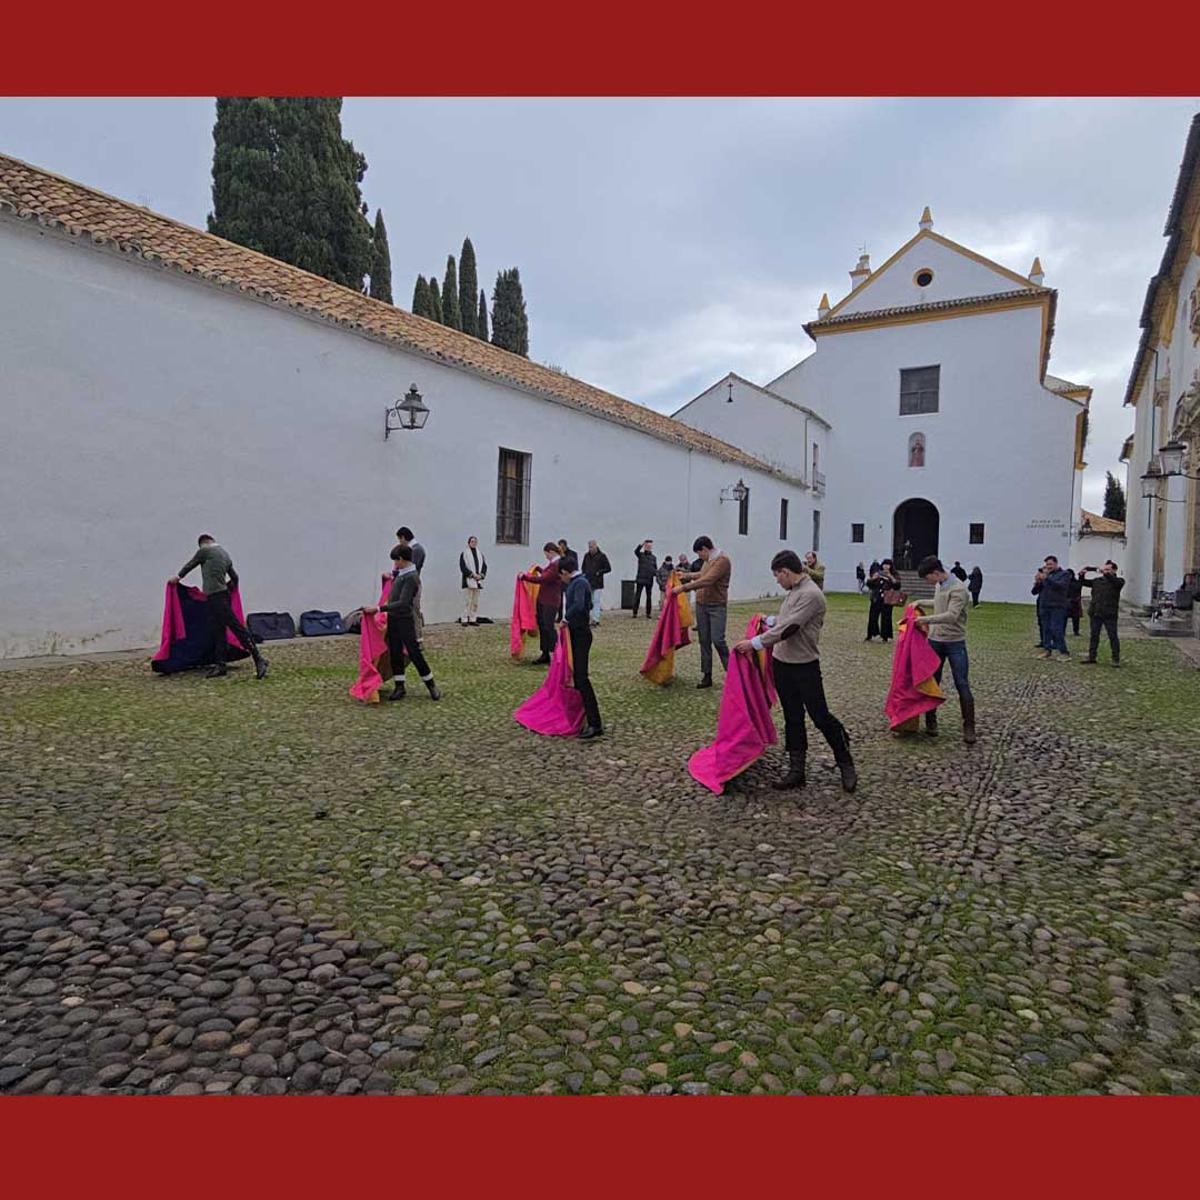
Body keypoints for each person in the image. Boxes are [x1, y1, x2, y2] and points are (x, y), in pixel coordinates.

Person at [732, 550, 856, 793]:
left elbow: (790, 627)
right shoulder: (794, 591)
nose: (777, 581)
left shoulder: (811, 594)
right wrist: (768, 620)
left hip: (805, 665)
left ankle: (845, 762)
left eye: (778, 576)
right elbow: (785, 619)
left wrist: (755, 643)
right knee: (792, 716)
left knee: (820, 716)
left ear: (786, 572)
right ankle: (796, 769)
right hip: (783, 663)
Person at [171, 534, 269, 680]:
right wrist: (228, 588)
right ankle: (220, 665)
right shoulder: (225, 555)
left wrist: (178, 577)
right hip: (222, 596)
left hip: (215, 597)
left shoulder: (205, 550)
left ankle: (258, 658)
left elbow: (190, 564)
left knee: (234, 627)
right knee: (218, 630)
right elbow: (235, 578)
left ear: (203, 543)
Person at [364, 545, 441, 701]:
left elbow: (403, 603)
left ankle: (431, 684)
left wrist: (378, 608)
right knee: (395, 652)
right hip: (393, 618)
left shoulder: (412, 577)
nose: (395, 564)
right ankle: (399, 686)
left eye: (396, 561)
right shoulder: (402, 574)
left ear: (401, 559)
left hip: (405, 619)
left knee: (414, 652)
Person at [913, 556, 976, 744]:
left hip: (955, 642)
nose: (927, 582)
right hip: (935, 641)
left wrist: (924, 620)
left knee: (962, 683)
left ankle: (969, 726)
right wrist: (920, 602)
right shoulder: (940, 585)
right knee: (932, 682)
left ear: (936, 573)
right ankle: (931, 721)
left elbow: (951, 615)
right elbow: (938, 603)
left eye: (927, 578)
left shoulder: (959, 589)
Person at [669, 536, 731, 689]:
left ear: (705, 549)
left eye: (699, 553)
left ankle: (732, 673)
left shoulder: (722, 560)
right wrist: (686, 575)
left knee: (718, 640)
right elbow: (702, 574)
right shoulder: (709, 560)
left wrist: (683, 588)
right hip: (702, 605)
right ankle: (706, 675)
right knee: (704, 640)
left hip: (717, 606)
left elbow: (708, 580)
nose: (699, 557)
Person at [559, 553, 603, 739]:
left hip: (580, 634)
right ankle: (582, 717)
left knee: (581, 678)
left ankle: (595, 723)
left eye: (561, 575)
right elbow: (588, 604)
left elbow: (578, 605)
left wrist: (565, 619)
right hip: (578, 632)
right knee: (578, 678)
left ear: (565, 572)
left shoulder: (579, 583)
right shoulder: (581, 582)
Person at [520, 543, 564, 664]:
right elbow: (546, 574)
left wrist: (525, 577)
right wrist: (539, 569)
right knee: (544, 627)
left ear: (551, 552)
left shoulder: (557, 564)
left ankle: (557, 653)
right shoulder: (553, 564)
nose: (546, 557)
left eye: (546, 554)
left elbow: (544, 578)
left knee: (548, 627)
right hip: (544, 600)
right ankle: (545, 653)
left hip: (550, 601)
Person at [1079, 561, 1125, 667]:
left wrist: (1106, 574)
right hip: (1095, 612)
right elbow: (1083, 582)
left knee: (1112, 636)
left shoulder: (1119, 581)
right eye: (1105, 569)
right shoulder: (1097, 581)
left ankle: (1115, 658)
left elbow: (1116, 582)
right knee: (1094, 636)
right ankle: (1092, 656)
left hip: (1110, 613)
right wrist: (1082, 575)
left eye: (1108, 570)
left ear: (1114, 570)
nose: (1105, 571)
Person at [1032, 556, 1071, 659]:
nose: (1048, 567)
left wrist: (1046, 578)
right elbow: (1034, 592)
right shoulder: (1047, 575)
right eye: (1047, 564)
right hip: (1045, 606)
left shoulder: (1064, 574)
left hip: (1057, 606)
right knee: (1046, 629)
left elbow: (1060, 586)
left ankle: (1064, 652)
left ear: (1056, 563)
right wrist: (1038, 582)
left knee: (1056, 629)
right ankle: (1047, 649)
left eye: (1050, 564)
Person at [395, 527, 426, 643]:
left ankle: (417, 638)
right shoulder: (412, 549)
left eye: (400, 539)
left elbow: (412, 569)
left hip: (412, 584)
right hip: (408, 583)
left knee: (413, 610)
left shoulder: (416, 550)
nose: (400, 542)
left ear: (403, 537)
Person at [865, 558, 901, 642]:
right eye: (885, 564)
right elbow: (869, 584)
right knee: (873, 617)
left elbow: (897, 585)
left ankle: (885, 636)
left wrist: (890, 577)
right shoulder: (878, 573)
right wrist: (873, 578)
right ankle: (871, 634)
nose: (886, 566)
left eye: (888, 565)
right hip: (876, 597)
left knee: (886, 618)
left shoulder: (894, 574)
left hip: (888, 598)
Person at [458, 536, 487, 626]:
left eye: (475, 542)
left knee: (475, 602)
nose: (474, 543)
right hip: (468, 580)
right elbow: (463, 567)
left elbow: (484, 566)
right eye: (472, 541)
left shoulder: (480, 554)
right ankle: (464, 619)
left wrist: (481, 575)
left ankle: (472, 618)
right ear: (469, 543)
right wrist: (472, 575)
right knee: (467, 601)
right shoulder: (464, 554)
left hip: (478, 581)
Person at [581, 540, 611, 627]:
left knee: (596, 601)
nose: (590, 549)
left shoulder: (602, 556)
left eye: (592, 547)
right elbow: (583, 567)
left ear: (596, 546)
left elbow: (608, 568)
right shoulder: (586, 556)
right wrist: (584, 574)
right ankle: (588, 618)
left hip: (598, 582)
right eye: (589, 547)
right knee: (588, 601)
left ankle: (596, 619)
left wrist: (599, 572)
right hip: (588, 581)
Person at [633, 540, 657, 618]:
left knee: (649, 597)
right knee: (638, 596)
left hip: (649, 580)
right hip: (641, 579)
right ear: (644, 547)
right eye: (647, 546)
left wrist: (655, 573)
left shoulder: (653, 557)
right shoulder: (641, 555)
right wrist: (642, 544)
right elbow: (636, 551)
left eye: (650, 547)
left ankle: (648, 613)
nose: (648, 548)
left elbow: (655, 568)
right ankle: (635, 612)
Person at [1067, 568, 1083, 636]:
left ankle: (1076, 631)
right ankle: (1062, 630)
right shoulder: (1063, 582)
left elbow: (1079, 586)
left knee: (1076, 618)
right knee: (1063, 617)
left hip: (1075, 602)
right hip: (1066, 601)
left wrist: (1081, 576)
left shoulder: (1076, 582)